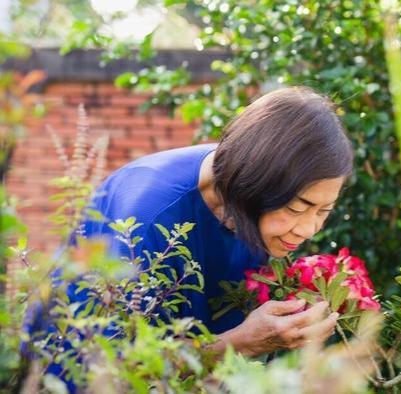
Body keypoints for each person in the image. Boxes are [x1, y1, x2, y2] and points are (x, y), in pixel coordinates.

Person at [79, 86, 353, 357]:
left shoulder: (247, 193)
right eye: (295, 208)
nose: (308, 230)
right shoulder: (146, 220)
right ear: (256, 180)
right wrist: (241, 342)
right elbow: (118, 366)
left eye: (323, 210)